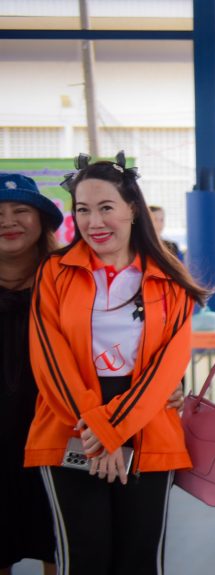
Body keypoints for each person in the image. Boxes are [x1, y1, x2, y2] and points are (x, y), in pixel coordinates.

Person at [25, 152, 206, 575]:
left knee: (139, 560)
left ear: (132, 209)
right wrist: (100, 432)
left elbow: (167, 367)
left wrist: (113, 429)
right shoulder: (54, 271)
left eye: (106, 207)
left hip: (148, 425)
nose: (94, 222)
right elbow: (50, 358)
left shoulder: (168, 278)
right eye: (83, 210)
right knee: (83, 559)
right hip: (71, 424)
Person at [0, 173, 59, 575]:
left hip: (55, 430)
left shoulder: (69, 281)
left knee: (58, 539)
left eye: (21, 210)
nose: (9, 221)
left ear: (42, 220)